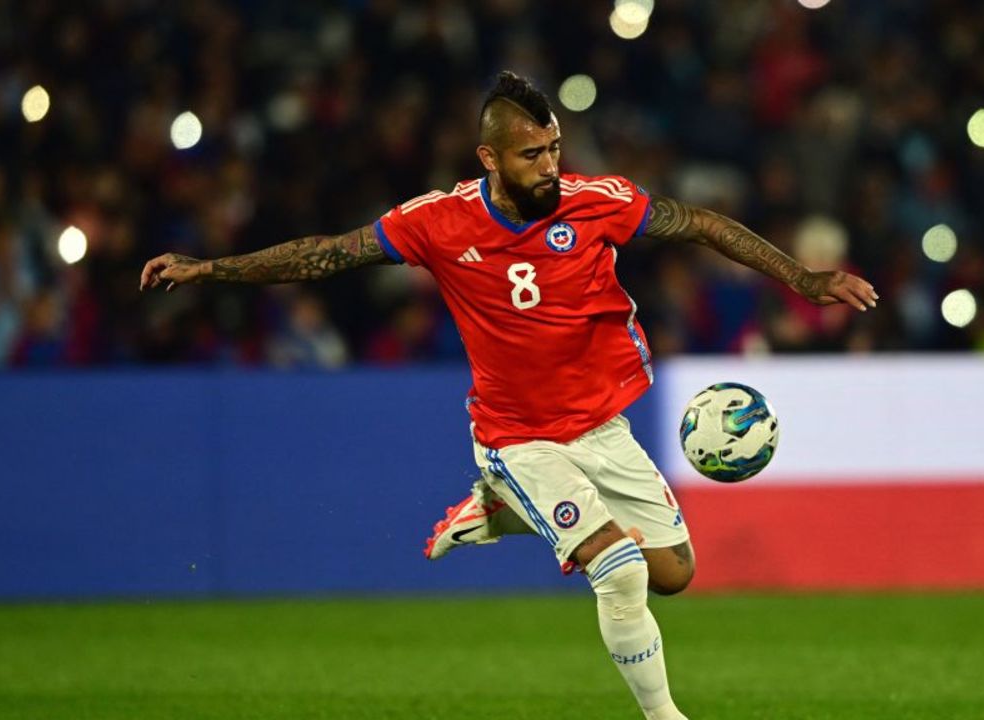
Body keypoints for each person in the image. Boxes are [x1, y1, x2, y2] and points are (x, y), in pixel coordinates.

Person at [140, 71, 877, 719]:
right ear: (489, 159)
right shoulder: (437, 221)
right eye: (532, 155)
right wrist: (211, 271)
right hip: (516, 434)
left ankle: (497, 512)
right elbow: (326, 254)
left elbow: (701, 224)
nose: (550, 165)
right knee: (617, 571)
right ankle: (664, 715)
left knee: (674, 573)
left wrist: (802, 279)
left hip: (598, 424)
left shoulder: (595, 202)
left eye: (554, 148)